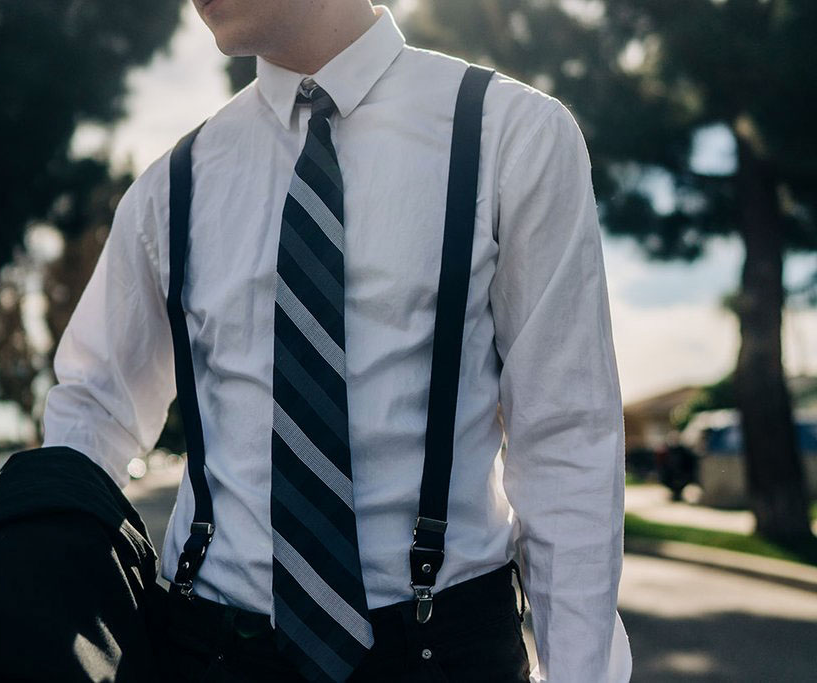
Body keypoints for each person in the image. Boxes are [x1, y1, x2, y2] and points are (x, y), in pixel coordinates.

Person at [41, 1, 633, 681]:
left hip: (444, 653)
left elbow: (566, 436)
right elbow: (91, 408)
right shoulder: (172, 186)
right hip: (209, 651)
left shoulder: (510, 134)